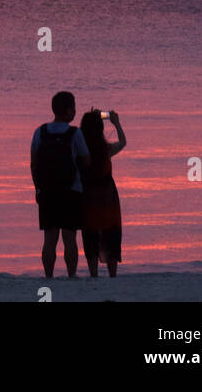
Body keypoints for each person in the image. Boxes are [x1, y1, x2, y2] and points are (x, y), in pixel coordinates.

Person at [30, 90, 90, 278]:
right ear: (68, 110)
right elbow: (86, 161)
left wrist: (37, 188)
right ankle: (71, 275)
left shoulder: (40, 132)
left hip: (47, 191)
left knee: (49, 239)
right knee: (70, 237)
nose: (75, 111)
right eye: (73, 107)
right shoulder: (75, 133)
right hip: (71, 191)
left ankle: (49, 276)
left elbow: (33, 163)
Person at [79, 109, 126, 277]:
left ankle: (93, 274)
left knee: (90, 232)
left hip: (88, 197)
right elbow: (122, 143)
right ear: (100, 129)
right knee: (111, 232)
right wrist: (116, 123)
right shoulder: (105, 149)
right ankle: (112, 274)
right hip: (107, 197)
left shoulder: (81, 151)